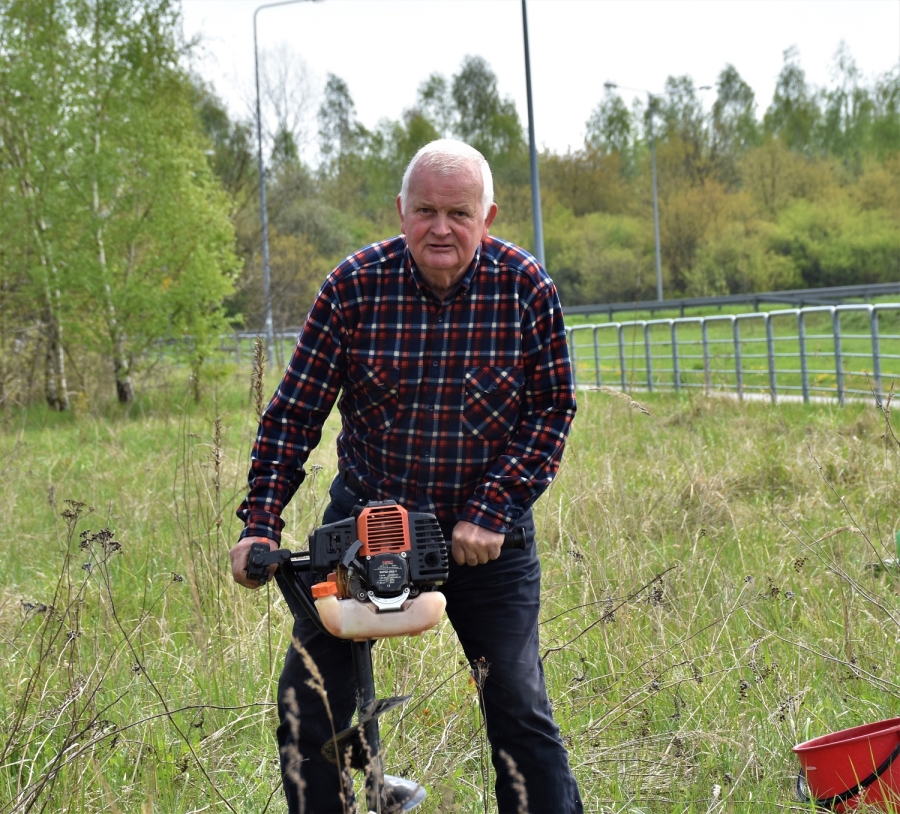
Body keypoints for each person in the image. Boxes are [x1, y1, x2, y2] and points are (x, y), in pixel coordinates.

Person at [230, 139, 583, 814]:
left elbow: (551, 410)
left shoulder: (525, 289)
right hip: (365, 530)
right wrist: (260, 524)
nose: (440, 228)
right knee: (310, 708)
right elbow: (294, 414)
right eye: (425, 211)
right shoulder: (354, 286)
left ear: (487, 216)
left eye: (459, 213)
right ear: (401, 211)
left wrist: (491, 511)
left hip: (483, 538)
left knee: (518, 704)